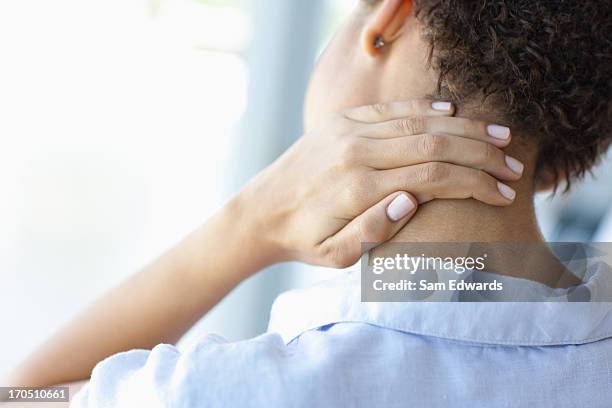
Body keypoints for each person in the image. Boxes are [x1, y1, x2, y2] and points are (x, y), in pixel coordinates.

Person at [6, 0, 612, 406]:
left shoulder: (228, 390)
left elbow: (26, 397)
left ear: (391, 18)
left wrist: (248, 225)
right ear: (563, 157)